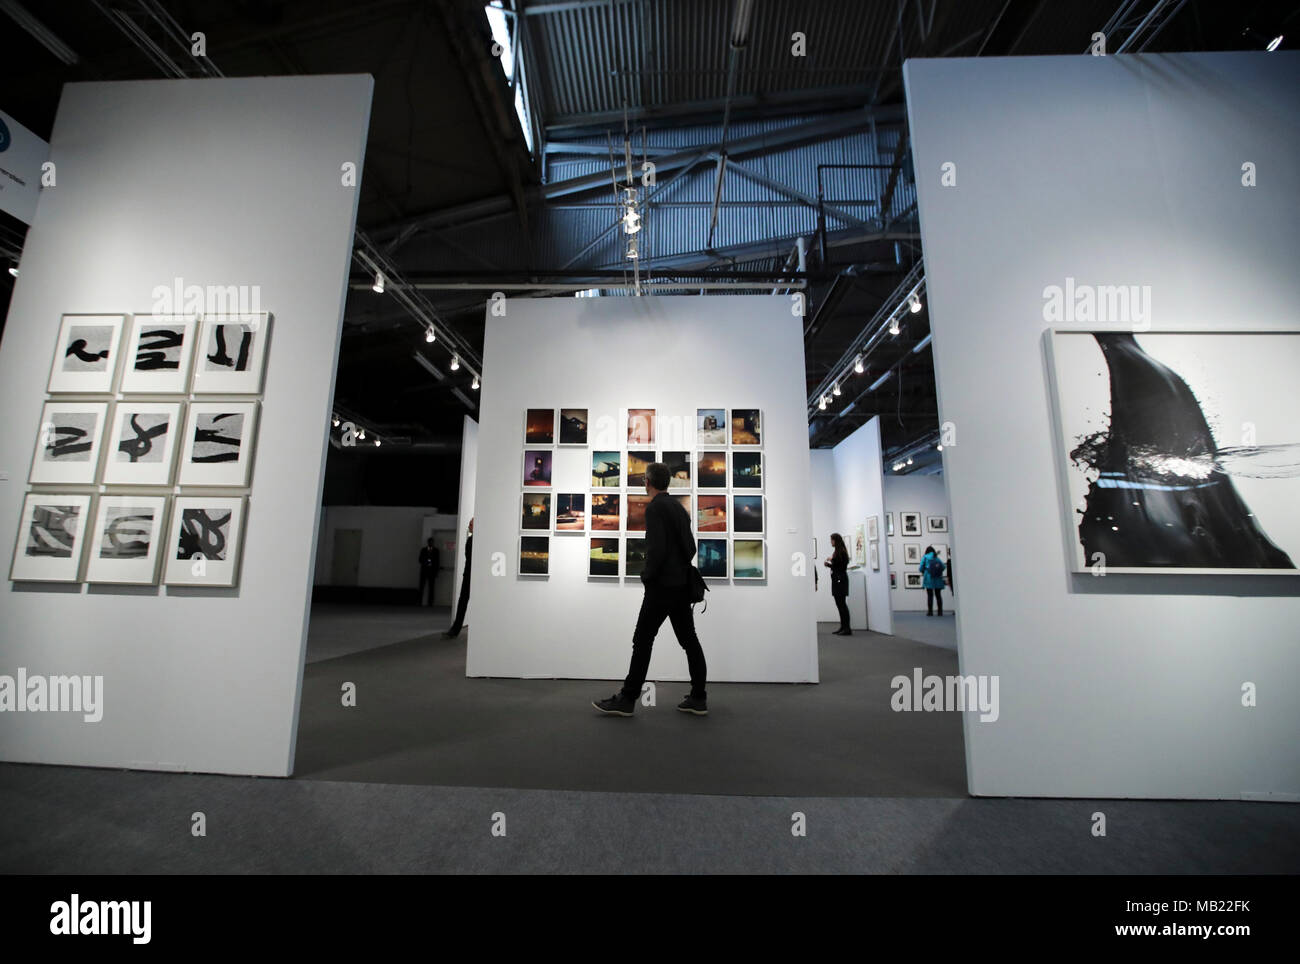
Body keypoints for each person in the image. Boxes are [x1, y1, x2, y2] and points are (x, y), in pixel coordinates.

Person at [594, 463, 708, 717]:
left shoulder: (656, 508)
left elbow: (656, 550)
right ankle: (699, 697)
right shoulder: (678, 507)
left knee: (642, 640)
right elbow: (690, 548)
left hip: (661, 588)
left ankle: (627, 698)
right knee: (689, 641)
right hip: (680, 587)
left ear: (647, 481)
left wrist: (648, 576)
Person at [443, 518, 473, 638]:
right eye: (469, 524)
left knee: (463, 601)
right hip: (468, 575)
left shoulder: (474, 541)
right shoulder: (471, 540)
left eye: (471, 524)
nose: (469, 526)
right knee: (462, 601)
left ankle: (455, 630)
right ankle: (455, 629)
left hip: (471, 576)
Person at [823, 532, 851, 635]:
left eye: (831, 540)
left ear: (836, 540)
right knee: (839, 604)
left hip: (840, 581)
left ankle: (847, 628)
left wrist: (832, 560)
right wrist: (829, 564)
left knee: (842, 604)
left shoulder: (841, 552)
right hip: (837, 580)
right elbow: (837, 566)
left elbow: (841, 567)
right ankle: (843, 627)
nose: (831, 542)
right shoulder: (838, 551)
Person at [921, 545, 945, 616]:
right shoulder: (936, 558)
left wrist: (925, 571)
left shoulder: (925, 558)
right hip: (937, 578)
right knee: (938, 595)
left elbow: (920, 568)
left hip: (929, 578)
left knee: (930, 595)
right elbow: (943, 567)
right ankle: (940, 612)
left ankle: (930, 612)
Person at [418, 537, 440, 607]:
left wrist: (436, 572)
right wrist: (426, 561)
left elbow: (437, 562)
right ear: (428, 543)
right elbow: (420, 559)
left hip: (432, 571)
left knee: (431, 588)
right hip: (424, 570)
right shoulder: (423, 550)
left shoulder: (436, 551)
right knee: (421, 587)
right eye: (430, 542)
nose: (431, 543)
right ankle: (419, 602)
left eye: (432, 542)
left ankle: (430, 603)